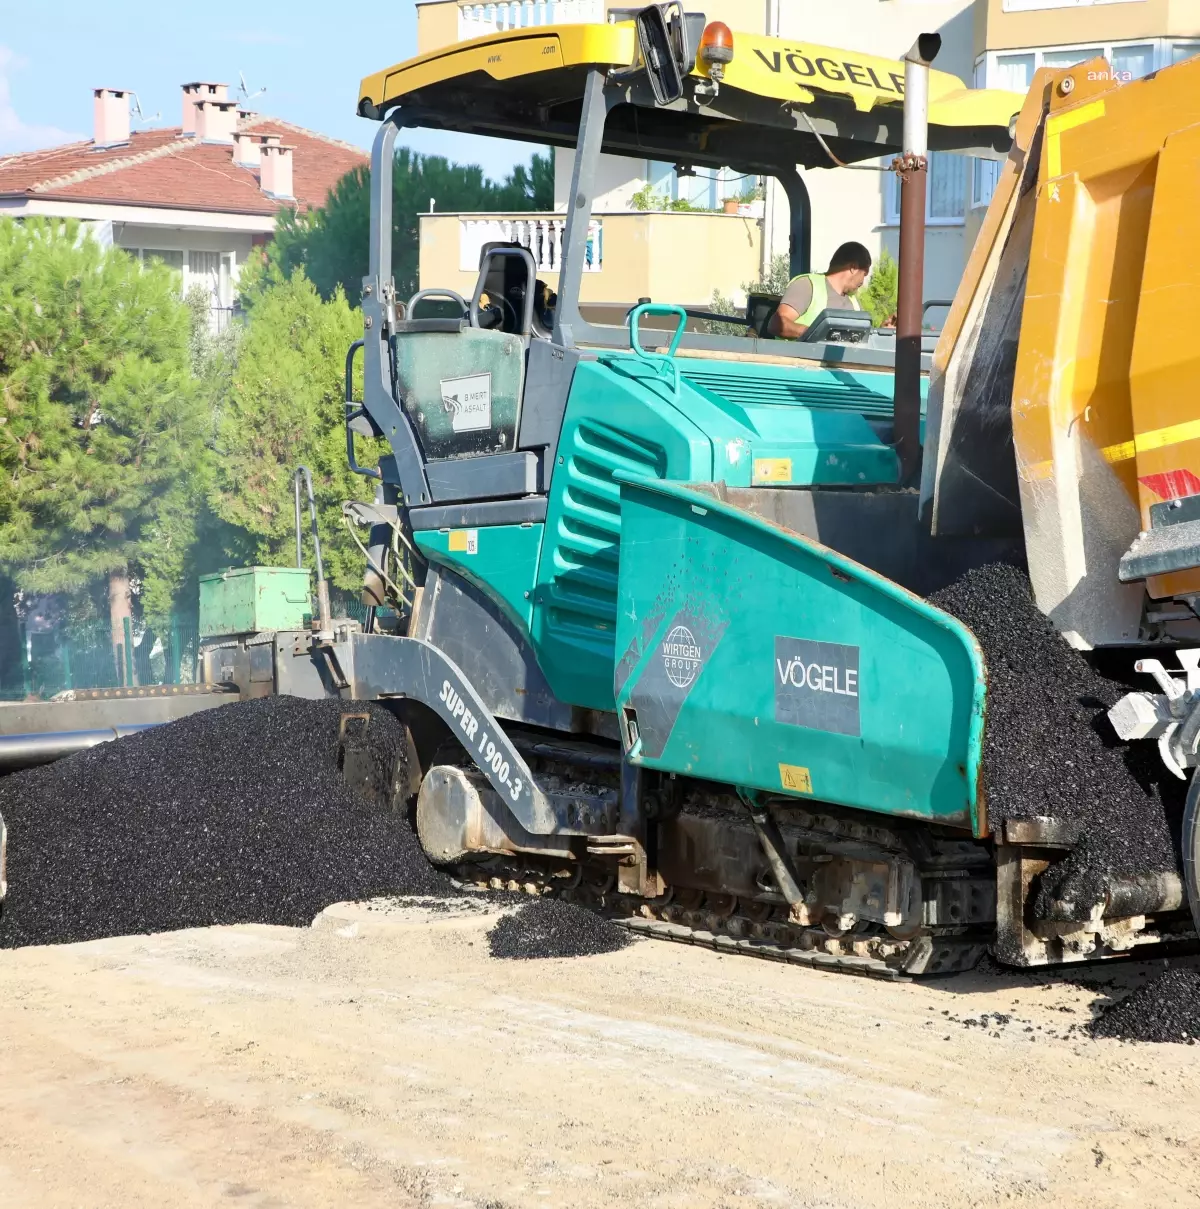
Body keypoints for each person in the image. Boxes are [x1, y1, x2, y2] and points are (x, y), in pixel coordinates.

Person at [768, 241, 872, 340]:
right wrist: (815, 334)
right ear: (853, 268)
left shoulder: (854, 302)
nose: (862, 282)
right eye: (864, 274)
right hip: (801, 357)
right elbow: (777, 323)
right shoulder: (807, 285)